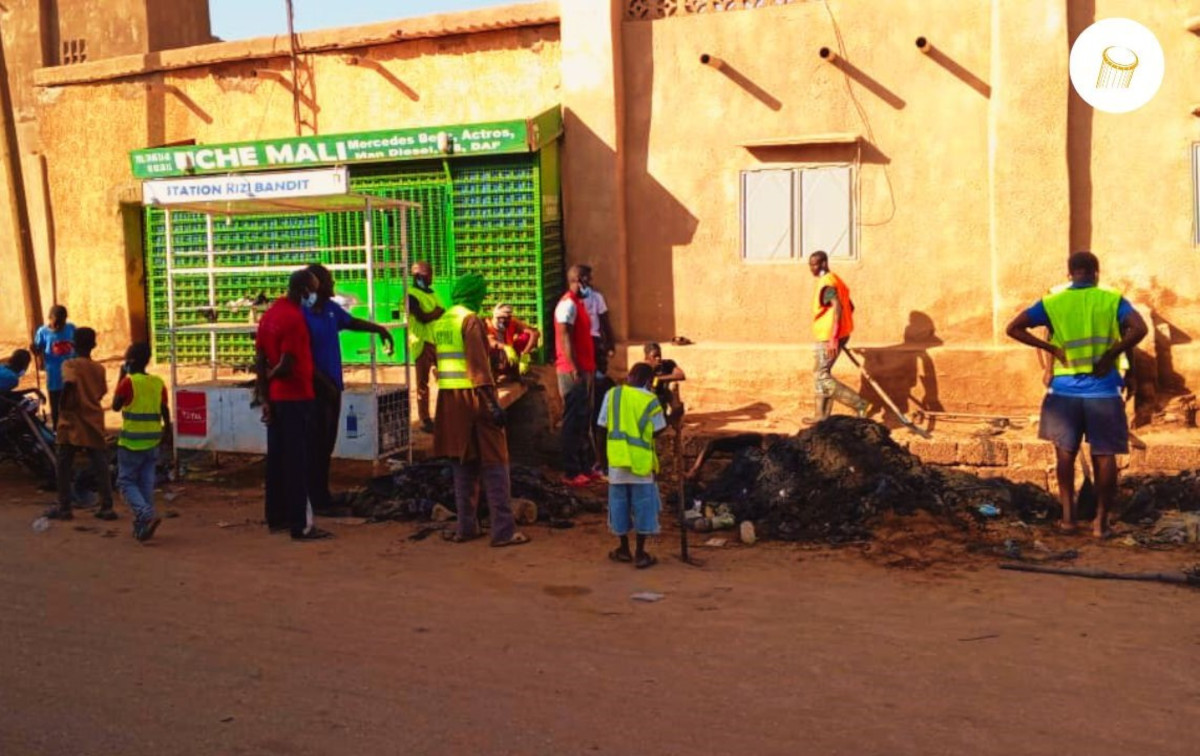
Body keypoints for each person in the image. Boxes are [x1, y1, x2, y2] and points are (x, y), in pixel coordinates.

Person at [1006, 251, 1148, 538]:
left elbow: (1013, 328)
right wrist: (1112, 355)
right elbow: (1139, 328)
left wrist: (1052, 350)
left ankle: (1068, 520)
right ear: (1096, 272)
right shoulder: (1111, 300)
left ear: (1069, 273)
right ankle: (1100, 524)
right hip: (1104, 392)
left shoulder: (1052, 301)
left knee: (1065, 456)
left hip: (1063, 393)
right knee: (1105, 457)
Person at [432, 273, 529, 547]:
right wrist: (492, 405)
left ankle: (466, 526)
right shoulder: (470, 320)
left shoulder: (444, 320)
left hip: (450, 401)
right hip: (475, 397)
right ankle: (503, 530)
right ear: (475, 294)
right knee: (496, 461)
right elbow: (477, 367)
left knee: (463, 462)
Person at [303, 263, 396, 511]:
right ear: (317, 284)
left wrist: (379, 329)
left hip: (333, 387)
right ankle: (316, 499)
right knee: (315, 444)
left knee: (327, 443)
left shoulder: (331, 310)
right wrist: (323, 384)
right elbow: (302, 358)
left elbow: (351, 322)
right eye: (329, 280)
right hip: (314, 390)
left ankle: (322, 494)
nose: (334, 284)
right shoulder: (303, 314)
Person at [255, 269, 331, 541]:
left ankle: (276, 517)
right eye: (314, 289)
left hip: (276, 398)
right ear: (302, 291)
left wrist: (265, 393)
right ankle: (302, 524)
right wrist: (275, 376)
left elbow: (260, 357)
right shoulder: (294, 320)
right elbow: (287, 364)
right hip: (296, 397)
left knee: (277, 459)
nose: (316, 295)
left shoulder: (271, 315)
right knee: (298, 461)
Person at [598, 362, 667, 569]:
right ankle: (640, 553)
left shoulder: (613, 395)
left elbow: (600, 429)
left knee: (619, 507)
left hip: (617, 463)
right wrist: (674, 415)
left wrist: (601, 461)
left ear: (629, 377)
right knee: (644, 507)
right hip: (641, 465)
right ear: (648, 381)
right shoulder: (651, 400)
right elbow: (657, 430)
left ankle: (623, 549)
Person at [44, 327, 115, 521]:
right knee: (100, 463)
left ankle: (65, 507)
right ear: (93, 345)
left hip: (71, 420)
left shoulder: (70, 364)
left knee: (64, 464)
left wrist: (63, 406)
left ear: (73, 343)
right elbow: (101, 392)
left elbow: (69, 383)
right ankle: (107, 505)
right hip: (92, 417)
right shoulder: (99, 368)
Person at [112, 342, 170, 542]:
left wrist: (121, 376)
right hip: (153, 440)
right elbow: (165, 411)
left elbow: (115, 406)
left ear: (130, 361)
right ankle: (143, 524)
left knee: (126, 482)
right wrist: (167, 435)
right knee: (145, 483)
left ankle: (145, 514)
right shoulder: (158, 383)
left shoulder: (128, 383)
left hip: (131, 442)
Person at [808, 251, 868, 421]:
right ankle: (821, 415)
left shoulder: (827, 284)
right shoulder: (836, 280)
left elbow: (838, 307)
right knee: (821, 372)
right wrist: (842, 331)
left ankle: (859, 404)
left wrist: (834, 337)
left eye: (815, 264)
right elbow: (851, 306)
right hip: (840, 333)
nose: (812, 268)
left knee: (821, 374)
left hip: (829, 336)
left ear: (824, 263)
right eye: (810, 264)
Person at [555, 265, 598, 487]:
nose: (591, 284)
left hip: (585, 369)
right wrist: (573, 368)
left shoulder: (578, 304)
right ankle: (571, 471)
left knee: (583, 419)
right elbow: (565, 337)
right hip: (573, 371)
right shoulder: (567, 305)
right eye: (589, 279)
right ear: (579, 279)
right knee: (573, 420)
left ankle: (585, 467)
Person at [408, 261, 445, 434]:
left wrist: (438, 314)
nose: (431, 278)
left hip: (436, 340)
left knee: (445, 378)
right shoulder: (410, 295)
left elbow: (442, 312)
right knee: (422, 383)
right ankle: (425, 419)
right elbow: (422, 316)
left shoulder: (433, 293)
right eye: (429, 275)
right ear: (419, 276)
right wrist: (436, 313)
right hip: (421, 342)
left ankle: (446, 414)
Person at [32, 304, 76, 429]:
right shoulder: (43, 332)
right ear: (49, 319)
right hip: (54, 376)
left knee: (72, 406)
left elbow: (78, 345)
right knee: (56, 406)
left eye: (61, 323)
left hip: (71, 374)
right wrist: (34, 349)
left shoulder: (71, 328)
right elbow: (38, 350)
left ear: (66, 319)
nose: (58, 326)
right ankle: (57, 430)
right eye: (55, 322)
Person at [486, 303, 540, 383]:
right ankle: (493, 375)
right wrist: (505, 347)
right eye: (502, 318)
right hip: (495, 359)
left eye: (508, 318)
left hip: (511, 357)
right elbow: (490, 342)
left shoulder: (512, 323)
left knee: (525, 336)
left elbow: (533, 333)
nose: (505, 321)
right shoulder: (487, 326)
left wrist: (525, 354)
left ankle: (515, 372)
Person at [577, 265, 616, 376]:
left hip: (595, 340)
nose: (590, 281)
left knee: (599, 370)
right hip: (581, 341)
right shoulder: (573, 301)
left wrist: (610, 344)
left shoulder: (597, 297)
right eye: (587, 278)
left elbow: (605, 321)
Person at [644, 342, 686, 427]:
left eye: (659, 355)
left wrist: (660, 379)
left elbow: (681, 375)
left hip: (665, 394)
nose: (658, 358)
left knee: (674, 386)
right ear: (647, 357)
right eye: (654, 356)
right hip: (652, 399)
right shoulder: (643, 369)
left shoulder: (667, 364)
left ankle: (673, 422)